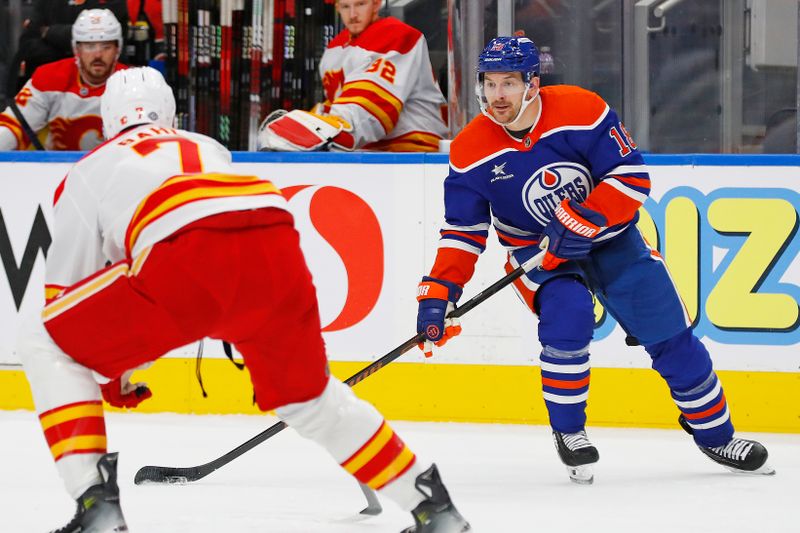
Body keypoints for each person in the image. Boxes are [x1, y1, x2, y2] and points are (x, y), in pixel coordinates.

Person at [17, 66, 470, 533]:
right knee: (310, 399)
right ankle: (432, 506)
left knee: (42, 337)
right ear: (171, 114)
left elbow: (69, 299)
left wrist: (113, 371)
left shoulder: (90, 168)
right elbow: (220, 234)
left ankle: (96, 505)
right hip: (271, 235)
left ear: (107, 119)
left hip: (186, 253)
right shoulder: (205, 146)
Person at [414, 36, 774, 485]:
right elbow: (462, 232)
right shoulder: (471, 150)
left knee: (670, 335)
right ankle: (570, 433)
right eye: (489, 84)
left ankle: (716, 435)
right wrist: (438, 293)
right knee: (569, 314)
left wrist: (583, 218)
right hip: (537, 251)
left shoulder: (581, 110)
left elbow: (631, 176)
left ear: (533, 84)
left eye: (508, 82)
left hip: (613, 239)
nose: (497, 95)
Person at [257, 0, 448, 153]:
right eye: (346, 6)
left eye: (360, 4)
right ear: (337, 7)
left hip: (417, 151)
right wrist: (313, 121)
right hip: (368, 153)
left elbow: (366, 111)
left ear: (376, 4)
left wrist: (322, 131)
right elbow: (338, 107)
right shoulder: (334, 49)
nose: (353, 15)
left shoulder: (398, 35)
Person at [0, 9, 127, 151]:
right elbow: (14, 125)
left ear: (117, 49)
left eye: (106, 47)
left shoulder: (133, 83)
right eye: (89, 46)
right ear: (76, 49)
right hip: (57, 169)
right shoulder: (48, 77)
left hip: (115, 168)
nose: (98, 54)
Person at [8, 0, 128, 93]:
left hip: (100, 87)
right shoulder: (45, 2)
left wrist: (48, 33)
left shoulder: (112, 2)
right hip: (49, 88)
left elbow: (109, 40)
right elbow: (28, 46)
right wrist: (72, 47)